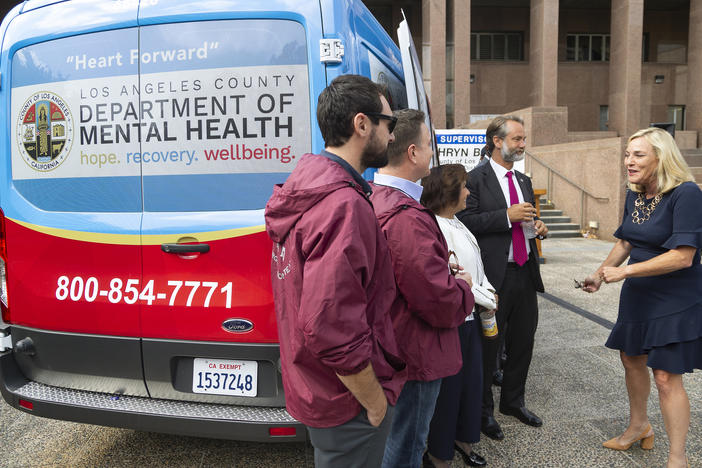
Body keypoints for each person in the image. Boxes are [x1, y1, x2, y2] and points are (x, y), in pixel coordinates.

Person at [264, 74, 407, 468]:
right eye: (388, 124)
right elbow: (330, 326)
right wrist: (374, 402)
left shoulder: (307, 187)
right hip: (348, 401)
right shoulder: (343, 205)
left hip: (321, 388)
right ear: (362, 124)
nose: (392, 137)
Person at [581, 127, 702, 468]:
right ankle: (639, 427)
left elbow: (684, 256)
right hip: (640, 295)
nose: (628, 162)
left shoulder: (686, 193)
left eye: (638, 155)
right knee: (631, 360)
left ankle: (678, 457)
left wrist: (626, 273)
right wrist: (600, 273)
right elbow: (625, 242)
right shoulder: (636, 194)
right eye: (627, 154)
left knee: (665, 376)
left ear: (661, 158)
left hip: (675, 297)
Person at [369, 109, 475, 468]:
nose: (433, 154)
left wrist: (440, 268)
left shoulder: (378, 198)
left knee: (397, 442)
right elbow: (434, 298)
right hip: (414, 352)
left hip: (394, 346)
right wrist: (463, 288)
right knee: (407, 447)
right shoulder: (405, 216)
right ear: (413, 152)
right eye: (429, 146)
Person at [457, 115, 548, 441]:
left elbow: (528, 222)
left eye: (523, 139)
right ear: (497, 141)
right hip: (493, 278)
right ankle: (483, 413)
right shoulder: (475, 179)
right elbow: (464, 220)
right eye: (518, 139)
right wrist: (505, 216)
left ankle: (513, 402)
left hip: (525, 273)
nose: (523, 145)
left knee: (523, 342)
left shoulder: (523, 180)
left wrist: (539, 229)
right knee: (487, 347)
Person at [421, 164, 491, 468]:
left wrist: (487, 291)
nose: (468, 191)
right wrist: (488, 297)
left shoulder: (458, 222)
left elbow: (476, 268)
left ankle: (464, 439)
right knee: (449, 393)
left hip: (472, 317)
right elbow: (455, 278)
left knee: (470, 385)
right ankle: (439, 454)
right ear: (449, 192)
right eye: (463, 186)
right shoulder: (435, 227)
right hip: (453, 321)